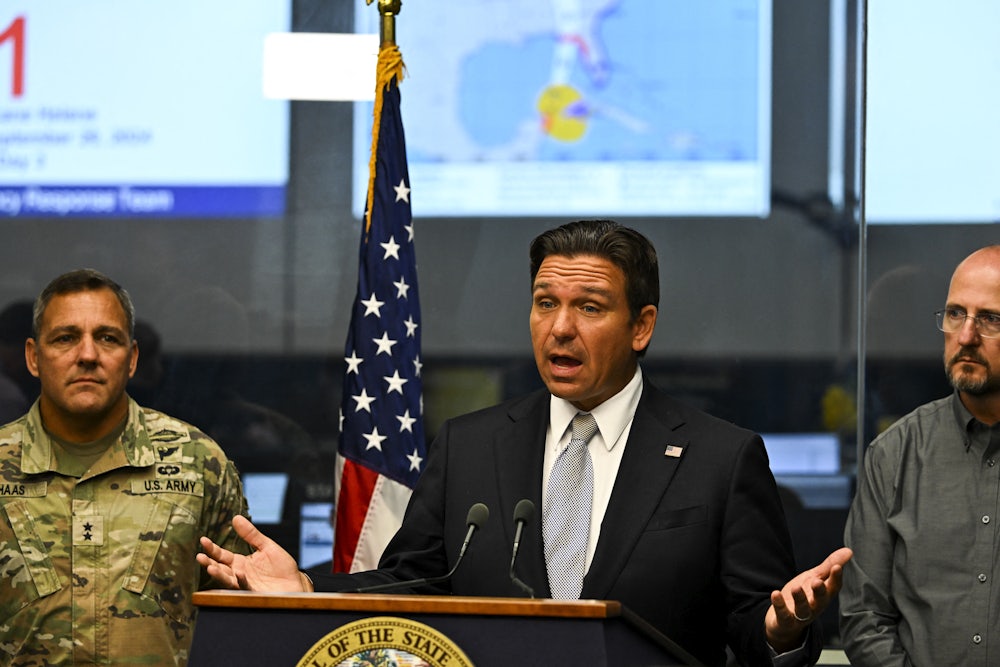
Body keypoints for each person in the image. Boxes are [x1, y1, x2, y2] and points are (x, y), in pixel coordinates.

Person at [199, 220, 852, 667]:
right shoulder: (470, 444)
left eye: (589, 307)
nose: (559, 328)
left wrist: (783, 627)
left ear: (641, 326)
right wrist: (305, 589)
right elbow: (410, 585)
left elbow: (756, 627)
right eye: (545, 302)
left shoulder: (721, 458)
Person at [0, 269, 250, 666]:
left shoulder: (198, 464)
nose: (87, 355)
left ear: (132, 359)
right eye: (65, 338)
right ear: (33, 357)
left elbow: (242, 621)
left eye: (107, 338)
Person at [840, 244, 1000, 667]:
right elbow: (863, 618)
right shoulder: (894, 455)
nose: (966, 336)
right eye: (956, 314)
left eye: (990, 319)